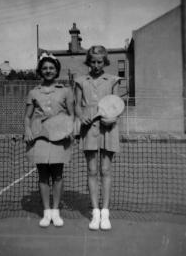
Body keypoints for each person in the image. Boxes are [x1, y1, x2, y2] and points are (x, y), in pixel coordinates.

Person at [24, 52, 74, 227]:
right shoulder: (33, 92)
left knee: (58, 175)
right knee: (43, 176)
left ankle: (56, 211)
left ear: (56, 70)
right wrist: (27, 130)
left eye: (51, 68)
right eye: (44, 68)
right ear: (40, 71)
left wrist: (69, 129)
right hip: (40, 137)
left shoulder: (65, 91)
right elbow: (27, 116)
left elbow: (71, 114)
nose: (48, 70)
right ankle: (46, 212)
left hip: (60, 137)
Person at [74, 45, 121, 230]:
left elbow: (116, 105)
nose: (96, 65)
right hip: (88, 128)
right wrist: (80, 115)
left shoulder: (113, 80)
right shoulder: (80, 81)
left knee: (106, 170)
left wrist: (111, 118)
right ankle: (95, 212)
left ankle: (105, 213)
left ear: (105, 61)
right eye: (92, 61)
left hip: (108, 129)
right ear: (88, 61)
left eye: (99, 61)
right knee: (92, 171)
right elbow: (77, 105)